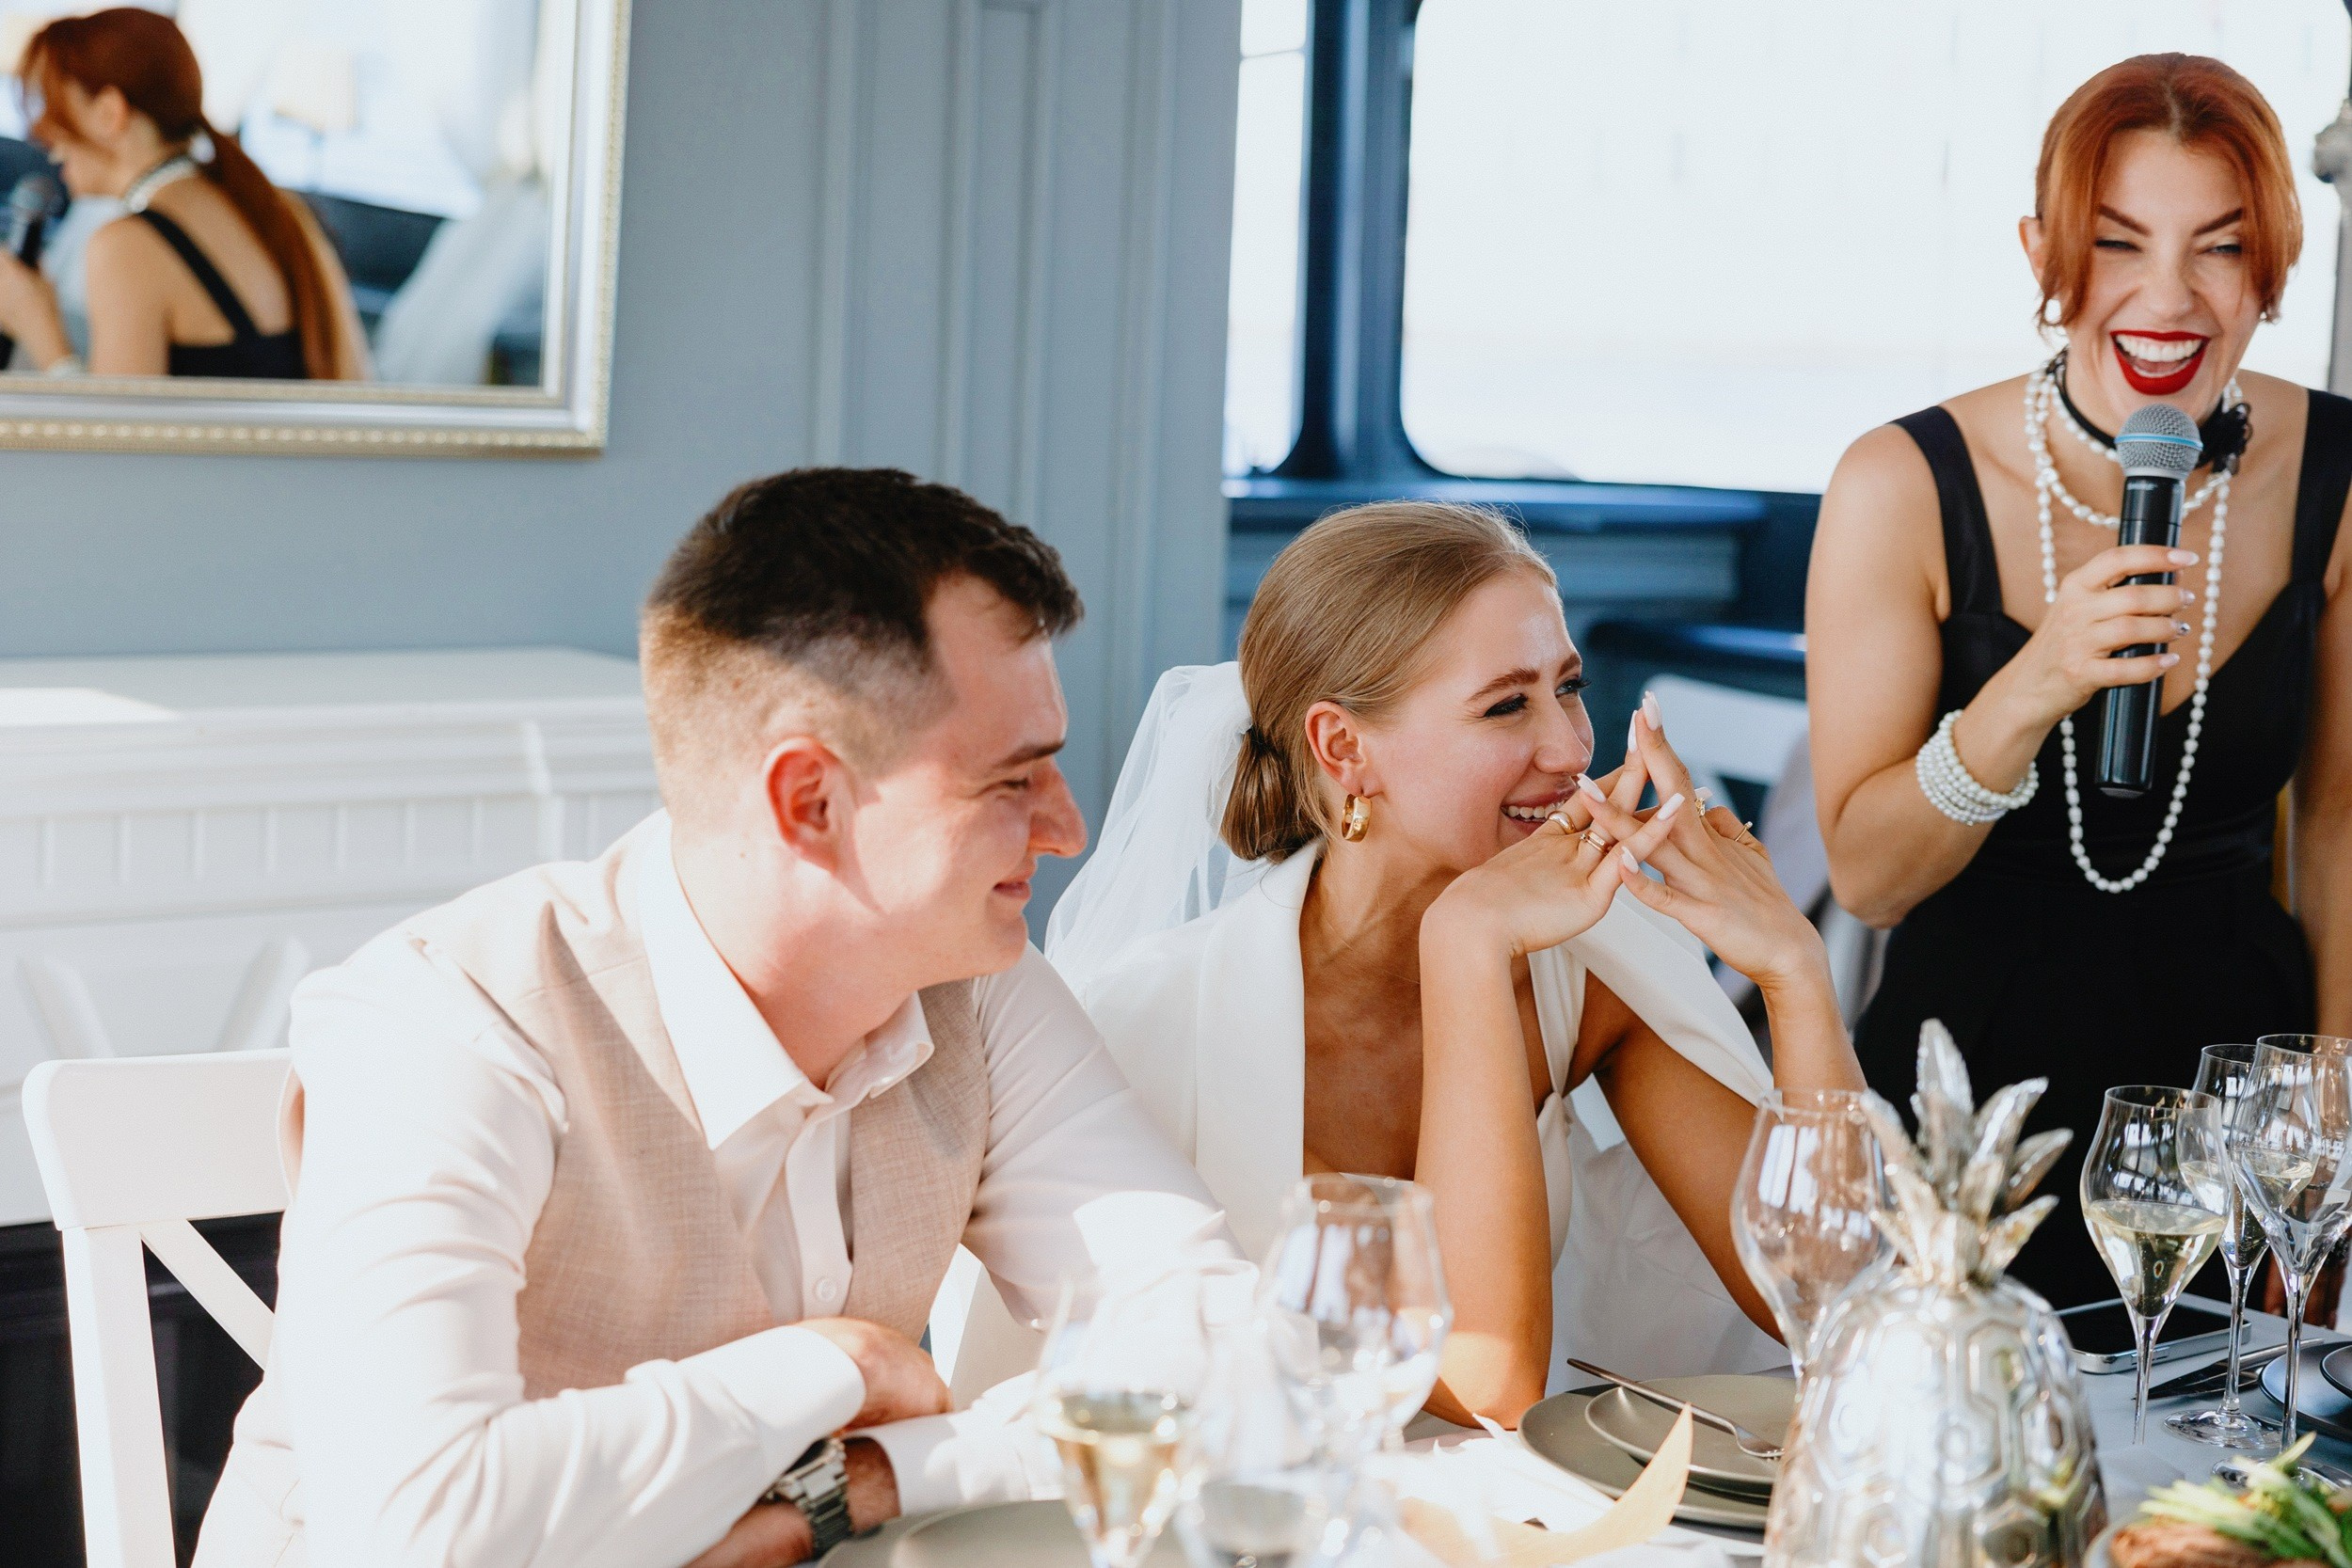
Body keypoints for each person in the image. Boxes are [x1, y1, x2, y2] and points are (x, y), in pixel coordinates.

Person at [192, 468, 1233, 1568]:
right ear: (809, 802)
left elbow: (1226, 1348)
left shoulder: (978, 982)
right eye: (1010, 782)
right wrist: (832, 1365)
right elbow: (422, 1529)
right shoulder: (445, 1025)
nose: (1065, 828)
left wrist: (865, 1478)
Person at [1027, 501, 1867, 1425]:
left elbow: (1846, 1310)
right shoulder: (1144, 1019)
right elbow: (1485, 1382)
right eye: (1507, 703)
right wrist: (1466, 941)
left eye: (1569, 686)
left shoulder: (1588, 973)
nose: (1570, 746)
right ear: (1343, 747)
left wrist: (1794, 969)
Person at [1807, 55, 2352, 1307]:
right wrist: (2031, 683)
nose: (2169, 299)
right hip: (1971, 1107)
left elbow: (2335, 821)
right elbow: (1870, 873)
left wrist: (2327, 1114)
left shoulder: (2335, 469)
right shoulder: (1899, 482)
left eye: (2219, 248)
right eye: (2118, 244)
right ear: (2042, 250)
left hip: (2234, 1108)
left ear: (2271, 265)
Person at [0, 8, 368, 379]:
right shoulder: (281, 211)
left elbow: (114, 434)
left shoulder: (127, 247)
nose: (45, 139)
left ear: (109, 112)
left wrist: (41, 332)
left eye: (55, 108)